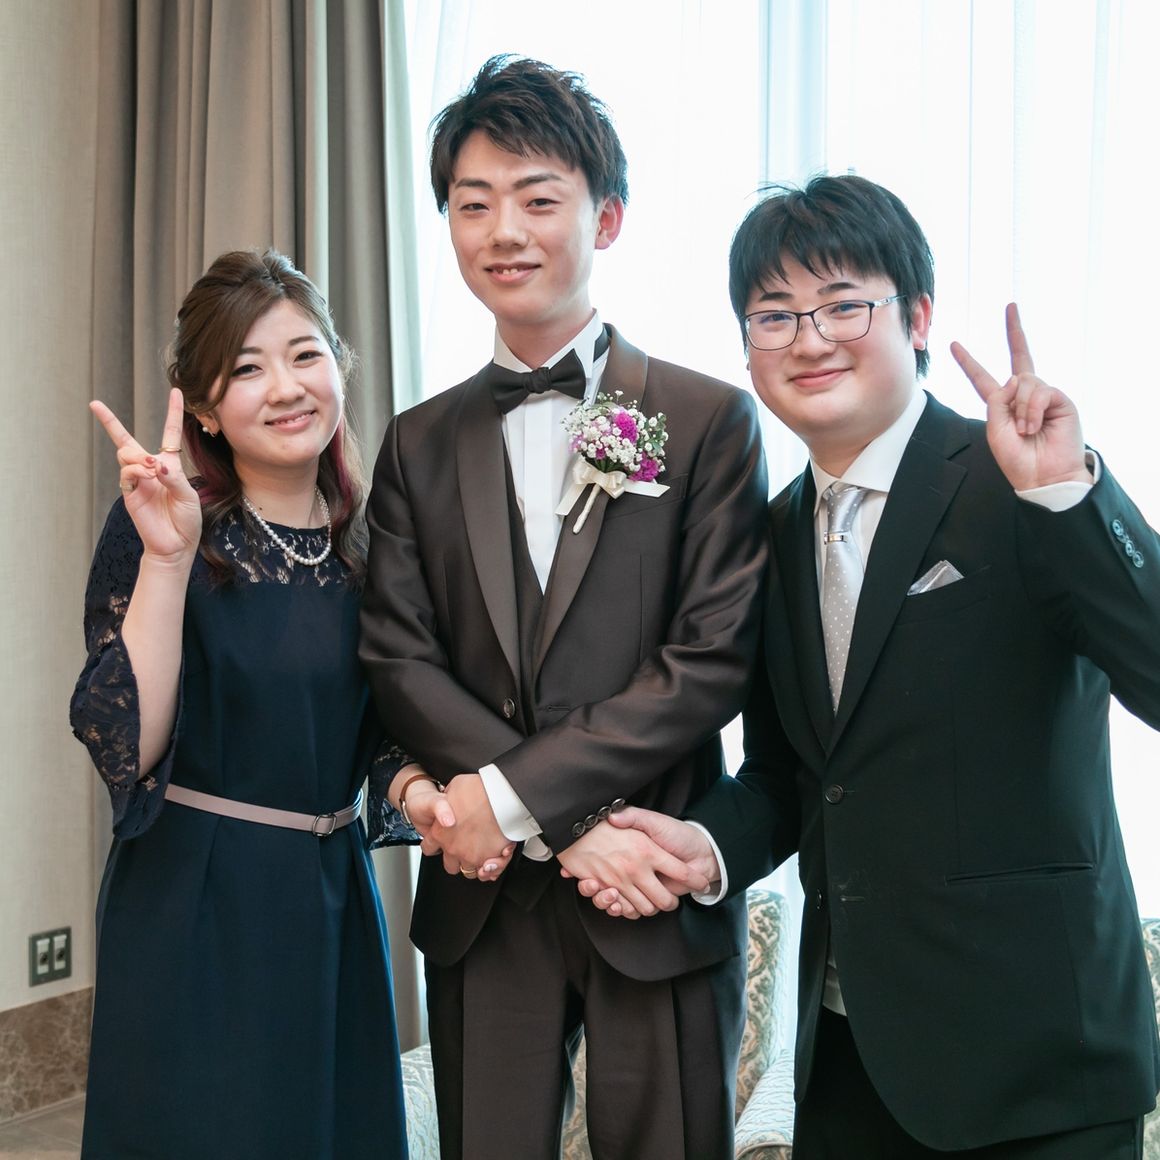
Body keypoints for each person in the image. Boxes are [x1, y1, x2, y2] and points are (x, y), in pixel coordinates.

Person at [582, 175, 1160, 1158]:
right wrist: (705, 847)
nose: (808, 339)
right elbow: (791, 777)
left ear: (917, 315)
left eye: (843, 304)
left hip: (1037, 1068)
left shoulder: (1018, 482)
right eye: (774, 315)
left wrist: (1067, 494)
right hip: (851, 1065)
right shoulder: (766, 537)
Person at [358, 55, 769, 1160]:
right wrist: (563, 827)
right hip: (486, 897)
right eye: (473, 204)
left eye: (538, 199)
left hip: (650, 886)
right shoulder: (415, 441)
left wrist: (517, 798)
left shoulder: (707, 419)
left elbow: (709, 660)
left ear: (608, 216)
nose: (504, 231)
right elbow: (399, 659)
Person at [71, 249, 416, 1160]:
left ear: (340, 365)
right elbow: (132, 746)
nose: (287, 387)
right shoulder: (165, 524)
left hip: (334, 894)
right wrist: (167, 559)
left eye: (305, 355)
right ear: (205, 408)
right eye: (248, 369)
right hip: (198, 899)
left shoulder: (374, 541)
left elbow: (392, 729)